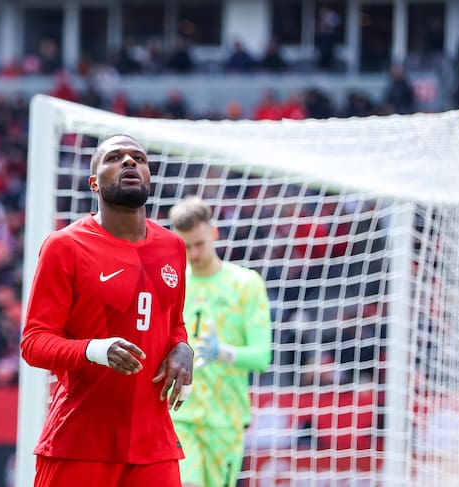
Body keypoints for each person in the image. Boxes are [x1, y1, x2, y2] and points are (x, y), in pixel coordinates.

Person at [20, 134, 194, 487]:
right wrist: (96, 350)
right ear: (94, 183)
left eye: (138, 158)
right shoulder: (64, 246)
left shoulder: (173, 246)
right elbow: (34, 343)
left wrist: (184, 348)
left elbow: (173, 324)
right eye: (115, 157)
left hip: (154, 446)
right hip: (81, 442)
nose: (130, 162)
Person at [168, 196, 272, 487]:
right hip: (179, 414)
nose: (194, 253)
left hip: (225, 421)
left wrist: (222, 353)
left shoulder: (246, 284)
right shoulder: (174, 285)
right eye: (186, 246)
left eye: (199, 244)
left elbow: (261, 356)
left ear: (214, 234)